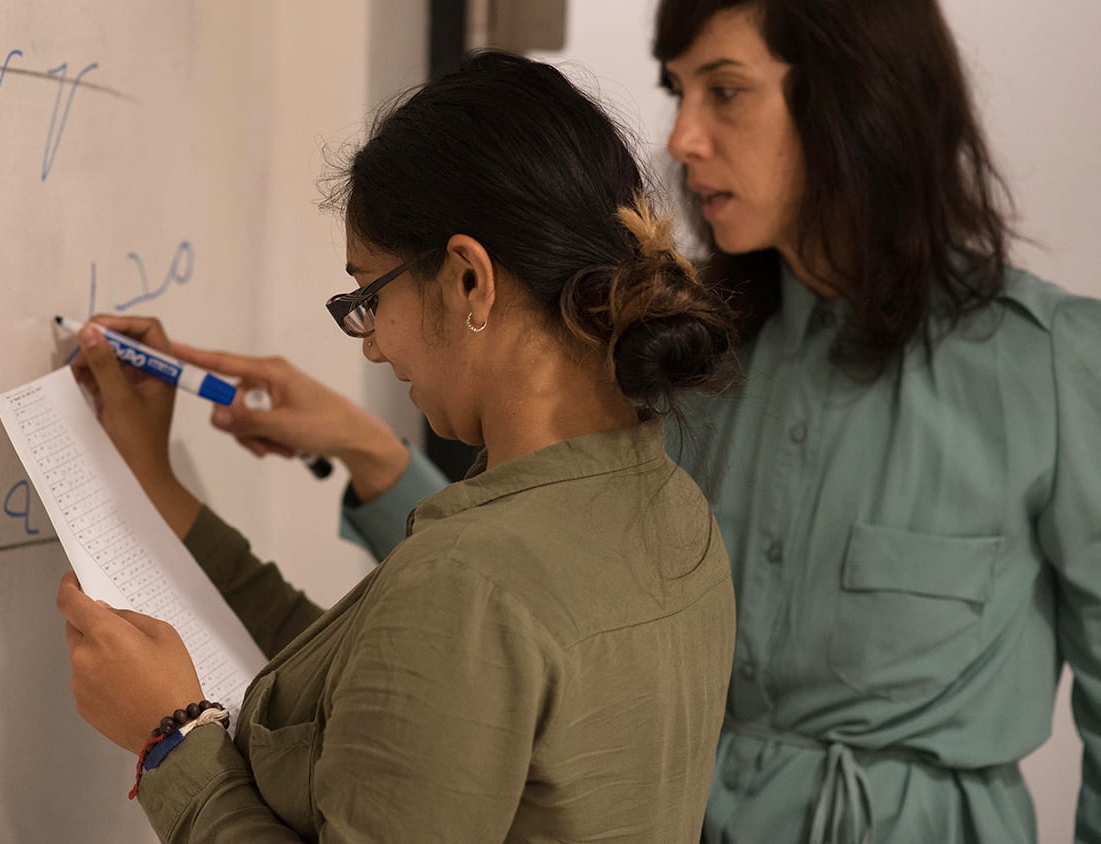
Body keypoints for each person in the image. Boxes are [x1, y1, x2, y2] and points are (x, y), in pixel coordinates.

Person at [204, 2, 1101, 841]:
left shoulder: (1060, 364)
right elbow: (544, 593)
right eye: (677, 91)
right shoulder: (697, 355)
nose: (684, 137)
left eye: (726, 92)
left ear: (861, 100)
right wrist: (370, 453)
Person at [55, 51, 739, 842]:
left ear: (469, 280)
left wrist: (172, 742)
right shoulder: (670, 508)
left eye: (367, 297)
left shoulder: (473, 579)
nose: (372, 346)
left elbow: (425, 660)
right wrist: (154, 485)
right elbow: (374, 706)